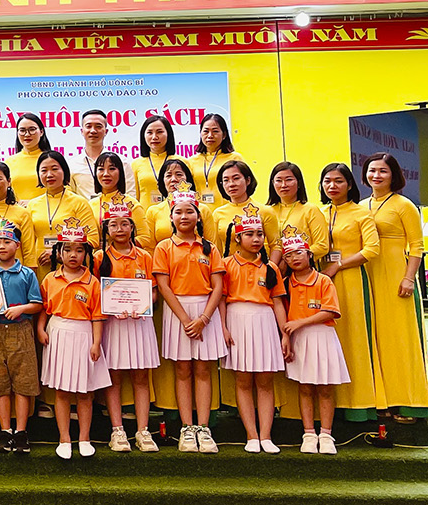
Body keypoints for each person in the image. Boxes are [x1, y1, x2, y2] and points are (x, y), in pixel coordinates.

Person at [153, 191, 226, 455]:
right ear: (171, 217)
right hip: (178, 312)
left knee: (204, 370)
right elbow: (163, 286)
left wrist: (204, 319)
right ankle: (186, 427)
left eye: (189, 211)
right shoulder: (163, 247)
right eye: (178, 212)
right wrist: (185, 320)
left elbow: (218, 286)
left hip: (206, 312)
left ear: (198, 216)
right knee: (182, 370)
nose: (184, 217)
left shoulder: (209, 247)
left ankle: (204, 428)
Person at [363, 151, 428, 420]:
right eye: (372, 170)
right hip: (367, 276)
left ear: (394, 175)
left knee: (399, 340)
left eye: (383, 171)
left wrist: (408, 278)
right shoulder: (361, 206)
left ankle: (406, 402)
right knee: (374, 339)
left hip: (395, 277)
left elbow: (417, 246)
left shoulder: (404, 205)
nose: (376, 175)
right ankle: (379, 401)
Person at [36, 221, 110, 460]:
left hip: (84, 334)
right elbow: (44, 308)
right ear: (59, 252)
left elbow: (97, 316)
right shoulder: (50, 279)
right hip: (58, 333)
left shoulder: (92, 282)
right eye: (67, 250)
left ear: (86, 254)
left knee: (85, 391)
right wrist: (40, 328)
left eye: (79, 250)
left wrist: (96, 343)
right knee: (62, 391)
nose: (73, 255)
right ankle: (64, 438)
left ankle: (84, 438)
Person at [318, 162, 380, 420]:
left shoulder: (361, 213)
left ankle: (358, 404)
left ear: (350, 184)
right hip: (321, 282)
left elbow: (372, 249)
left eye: (338, 181)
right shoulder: (319, 212)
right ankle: (328, 404)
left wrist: (339, 265)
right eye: (327, 181)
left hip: (351, 280)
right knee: (325, 340)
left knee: (354, 340)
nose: (332, 186)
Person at [220, 215, 287, 454]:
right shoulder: (226, 264)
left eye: (260, 234)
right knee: (243, 380)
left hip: (264, 322)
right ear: (237, 238)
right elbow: (221, 299)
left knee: (266, 381)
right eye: (249, 234)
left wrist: (285, 334)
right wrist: (223, 327)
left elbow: (278, 303)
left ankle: (266, 436)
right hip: (237, 321)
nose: (256, 239)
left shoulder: (271, 268)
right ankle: (251, 435)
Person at [96, 201, 159, 453]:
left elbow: (154, 292)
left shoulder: (145, 256)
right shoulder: (99, 257)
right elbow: (96, 292)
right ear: (106, 229)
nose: (120, 229)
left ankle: (143, 430)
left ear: (132, 227)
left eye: (125, 224)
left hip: (140, 322)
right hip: (113, 323)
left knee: (141, 376)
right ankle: (118, 430)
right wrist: (112, 308)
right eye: (114, 225)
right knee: (114, 376)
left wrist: (142, 306)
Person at [282, 232, 350, 454]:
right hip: (299, 339)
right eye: (288, 255)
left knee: (325, 387)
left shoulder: (323, 280)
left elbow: (330, 311)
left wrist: (300, 322)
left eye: (298, 253)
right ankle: (309, 433)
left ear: (309, 254)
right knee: (304, 387)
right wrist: (288, 336)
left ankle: (327, 434)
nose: (294, 258)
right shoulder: (286, 284)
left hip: (322, 335)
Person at [0, 219, 43, 454]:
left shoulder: (27, 274)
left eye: (7, 241)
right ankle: (5, 430)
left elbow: (37, 304)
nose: (2, 246)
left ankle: (22, 431)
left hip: (21, 330)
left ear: (17, 245)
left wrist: (21, 309)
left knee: (23, 382)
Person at [23, 150, 96, 282]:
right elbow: (27, 243)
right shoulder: (32, 205)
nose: (49, 174)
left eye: (54, 169)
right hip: (39, 268)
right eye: (44, 170)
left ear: (64, 171)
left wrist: (59, 254)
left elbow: (92, 239)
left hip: (72, 270)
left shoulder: (79, 203)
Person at [87, 152, 153, 251]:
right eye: (101, 169)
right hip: (98, 259)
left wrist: (119, 246)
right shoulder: (90, 205)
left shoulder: (131, 204)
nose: (106, 174)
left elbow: (145, 238)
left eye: (112, 169)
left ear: (120, 173)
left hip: (126, 258)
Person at [268, 161, 330, 264]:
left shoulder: (310, 210)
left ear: (299, 183)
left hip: (302, 269)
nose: (283, 185)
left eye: (289, 180)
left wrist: (291, 258)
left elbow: (322, 246)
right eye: (278, 180)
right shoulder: (266, 211)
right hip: (270, 268)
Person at [212, 160, 280, 252]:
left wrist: (271, 262)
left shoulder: (265, 211)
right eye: (226, 180)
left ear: (248, 180)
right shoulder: (218, 213)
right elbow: (216, 248)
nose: (231, 184)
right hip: (228, 261)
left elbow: (276, 246)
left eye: (236, 178)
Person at [145, 158, 213, 247]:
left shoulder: (203, 209)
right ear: (162, 181)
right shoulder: (153, 211)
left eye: (179, 174)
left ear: (187, 179)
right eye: (168, 175)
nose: (173, 179)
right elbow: (149, 247)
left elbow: (212, 244)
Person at [192, 114, 240, 206]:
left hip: (227, 210)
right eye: (206, 131)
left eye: (215, 131)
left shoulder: (234, 158)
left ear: (224, 135)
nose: (210, 135)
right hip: (199, 211)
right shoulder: (191, 161)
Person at [130, 115, 175, 206]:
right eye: (149, 132)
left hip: (174, 213)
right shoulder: (136, 164)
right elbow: (133, 198)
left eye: (159, 132)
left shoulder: (181, 162)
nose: (154, 137)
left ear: (168, 134)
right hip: (144, 213)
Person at [5, 113, 52, 198]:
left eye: (32, 129)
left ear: (41, 132)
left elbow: (63, 190)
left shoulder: (51, 159)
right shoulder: (9, 162)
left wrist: (33, 203)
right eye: (22, 130)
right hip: (17, 206)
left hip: (46, 206)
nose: (27, 134)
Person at [67, 109, 110, 195]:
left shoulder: (122, 162)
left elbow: (130, 195)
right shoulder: (71, 165)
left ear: (106, 131)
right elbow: (70, 197)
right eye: (88, 126)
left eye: (98, 126)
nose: (93, 131)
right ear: (82, 131)